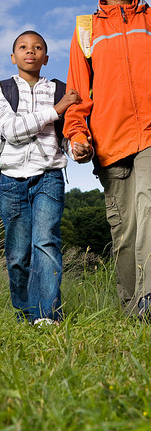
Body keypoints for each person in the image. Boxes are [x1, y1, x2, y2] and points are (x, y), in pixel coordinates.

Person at [65, 0, 151, 320]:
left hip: (149, 137)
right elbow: (77, 92)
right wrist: (77, 136)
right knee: (125, 232)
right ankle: (133, 312)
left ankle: (148, 298)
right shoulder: (86, 29)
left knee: (149, 208)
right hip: (110, 143)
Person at [0, 30, 82, 325]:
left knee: (46, 243)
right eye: (23, 47)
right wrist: (56, 110)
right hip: (10, 180)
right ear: (13, 56)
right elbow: (12, 131)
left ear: (46, 57)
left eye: (38, 47)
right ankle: (24, 315)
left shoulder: (59, 89)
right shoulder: (1, 89)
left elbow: (67, 136)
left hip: (49, 176)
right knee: (18, 256)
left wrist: (79, 148)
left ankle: (47, 317)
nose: (31, 51)